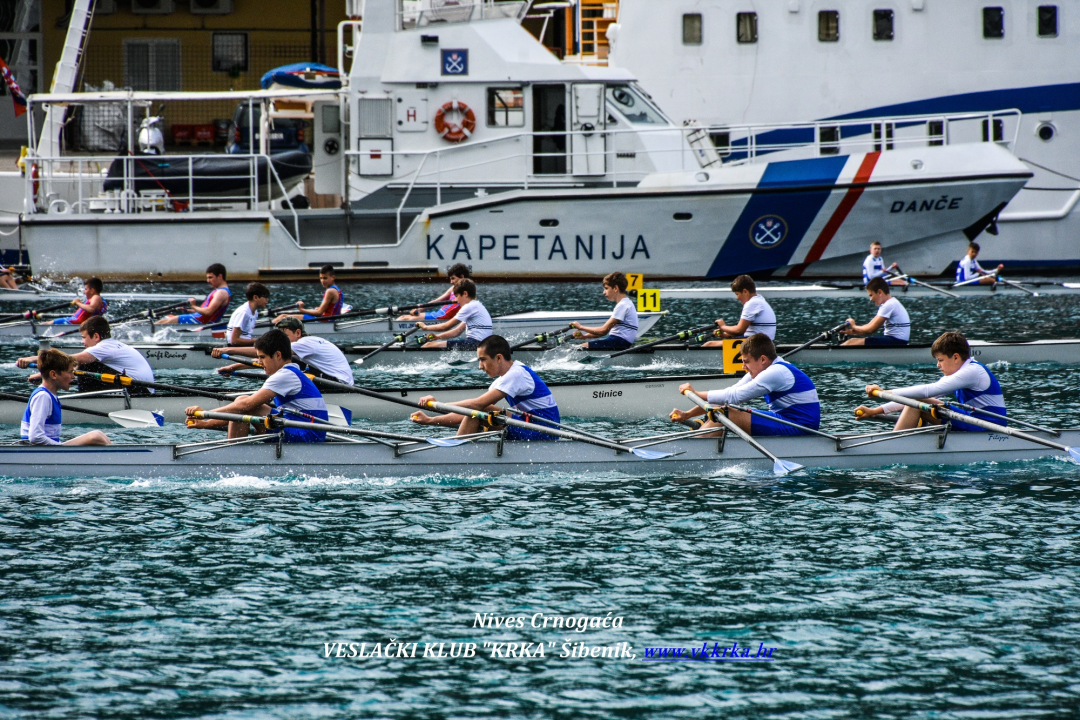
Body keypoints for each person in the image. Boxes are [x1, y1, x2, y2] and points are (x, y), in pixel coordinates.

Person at [185, 329, 328, 442]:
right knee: (244, 403)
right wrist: (206, 423)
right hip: (300, 428)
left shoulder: (285, 375)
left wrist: (204, 415)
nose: (258, 362)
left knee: (244, 402)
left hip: (307, 434)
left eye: (262, 357)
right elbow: (243, 408)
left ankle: (233, 455)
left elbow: (245, 406)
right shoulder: (291, 371)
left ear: (278, 355)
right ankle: (234, 452)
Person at [410, 335, 559, 440]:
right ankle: (462, 449)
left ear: (499, 358)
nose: (480, 367)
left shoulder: (516, 374)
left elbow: (477, 405)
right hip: (528, 425)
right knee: (482, 413)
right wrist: (430, 420)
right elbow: (469, 413)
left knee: (482, 410)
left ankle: (457, 451)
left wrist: (438, 405)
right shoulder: (501, 380)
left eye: (483, 360)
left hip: (545, 432)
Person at [670, 333, 820, 436]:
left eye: (746, 361)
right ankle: (702, 437)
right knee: (726, 409)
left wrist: (695, 393)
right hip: (785, 419)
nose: (743, 367)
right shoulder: (765, 369)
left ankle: (696, 447)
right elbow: (730, 393)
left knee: (728, 412)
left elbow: (734, 397)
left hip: (801, 427)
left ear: (762, 359)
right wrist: (687, 414)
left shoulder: (777, 372)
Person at [854, 331, 1006, 431]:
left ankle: (893, 445)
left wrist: (886, 392)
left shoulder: (972, 372)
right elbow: (917, 396)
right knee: (919, 402)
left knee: (918, 402)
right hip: (973, 420)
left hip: (991, 426)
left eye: (940, 360)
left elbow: (926, 391)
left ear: (955, 357)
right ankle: (903, 441)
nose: (938, 365)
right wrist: (875, 411)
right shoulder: (961, 373)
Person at [17, 316, 156, 395]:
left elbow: (71, 360)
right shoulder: (112, 344)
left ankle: (84, 400)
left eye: (84, 337)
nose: (83, 342)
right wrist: (46, 376)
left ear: (96, 336)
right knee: (83, 364)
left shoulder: (104, 347)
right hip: (139, 388)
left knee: (86, 363)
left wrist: (36, 359)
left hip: (139, 391)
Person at [213, 316, 355, 386]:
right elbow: (267, 358)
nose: (281, 340)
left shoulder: (304, 343)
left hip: (340, 385)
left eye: (285, 335)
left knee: (287, 372)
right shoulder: (305, 344)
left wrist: (228, 350)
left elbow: (267, 351)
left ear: (298, 333)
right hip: (337, 381)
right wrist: (234, 367)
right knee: (287, 367)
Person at [20, 348, 110, 446]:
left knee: (99, 434)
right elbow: (35, 437)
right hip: (36, 451)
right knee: (95, 437)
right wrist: (60, 448)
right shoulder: (43, 397)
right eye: (70, 372)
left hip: (47, 449)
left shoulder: (50, 395)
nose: (73, 376)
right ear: (53, 374)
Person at [568, 271, 639, 350]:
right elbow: (604, 331)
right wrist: (585, 336)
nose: (604, 292)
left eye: (606, 288)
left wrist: (580, 327)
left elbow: (603, 331)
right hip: (618, 341)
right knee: (580, 347)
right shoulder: (627, 303)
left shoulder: (622, 305)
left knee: (577, 349)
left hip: (618, 342)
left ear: (615, 288)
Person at [418, 278, 491, 349]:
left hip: (475, 344)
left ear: (465, 294)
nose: (456, 300)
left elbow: (446, 326)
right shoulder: (477, 305)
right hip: (483, 345)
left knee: (428, 345)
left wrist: (425, 327)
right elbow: (457, 331)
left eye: (457, 296)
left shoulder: (469, 307)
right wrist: (438, 337)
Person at [702, 274, 776, 345]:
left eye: (737, 294)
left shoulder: (752, 303)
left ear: (745, 292)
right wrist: (725, 335)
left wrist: (723, 326)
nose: (737, 298)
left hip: (756, 346)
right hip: (761, 343)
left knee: (709, 344)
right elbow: (743, 329)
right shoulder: (760, 300)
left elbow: (739, 330)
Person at [840, 276, 911, 346]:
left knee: (851, 343)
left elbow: (871, 329)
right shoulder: (889, 303)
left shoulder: (889, 305)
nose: (870, 299)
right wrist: (852, 332)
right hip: (896, 340)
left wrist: (854, 326)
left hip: (896, 342)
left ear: (879, 292)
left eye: (871, 295)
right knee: (853, 341)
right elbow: (869, 325)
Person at [157, 263, 231, 325]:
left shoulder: (221, 293)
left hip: (201, 321)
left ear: (220, 276)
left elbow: (208, 312)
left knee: (167, 321)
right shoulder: (220, 291)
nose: (208, 281)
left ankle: (149, 332)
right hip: (198, 318)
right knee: (167, 318)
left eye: (210, 277)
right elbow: (205, 311)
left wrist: (193, 306)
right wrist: (189, 310)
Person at [397, 262, 471, 322]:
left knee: (404, 318)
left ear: (462, 277)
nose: (451, 282)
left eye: (453, 279)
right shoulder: (453, 288)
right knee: (403, 317)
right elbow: (436, 302)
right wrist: (419, 309)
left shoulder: (468, 292)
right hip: (438, 314)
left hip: (442, 318)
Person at [276, 265, 343, 322]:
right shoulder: (338, 290)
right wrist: (320, 309)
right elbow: (337, 311)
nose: (322, 281)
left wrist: (302, 310)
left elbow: (319, 313)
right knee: (284, 316)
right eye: (321, 278)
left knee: (282, 317)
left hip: (322, 321)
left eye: (325, 278)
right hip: (328, 321)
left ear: (333, 277)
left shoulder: (330, 291)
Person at [225, 282, 270, 346]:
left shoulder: (254, 312)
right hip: (234, 346)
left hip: (244, 345)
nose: (267, 300)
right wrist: (257, 341)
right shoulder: (243, 313)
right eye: (265, 297)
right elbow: (234, 341)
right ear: (255, 297)